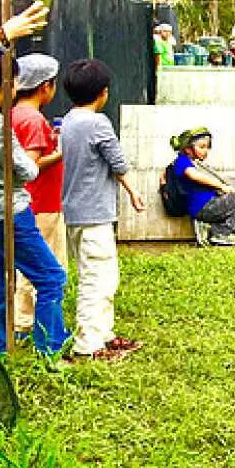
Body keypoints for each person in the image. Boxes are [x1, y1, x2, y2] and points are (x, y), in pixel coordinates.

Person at [0, 59, 69, 358]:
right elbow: (27, 169)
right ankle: (50, 349)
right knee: (52, 277)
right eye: (13, 81)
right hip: (10, 210)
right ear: (3, 84)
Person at [60, 59, 145, 361]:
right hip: (94, 215)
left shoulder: (67, 120)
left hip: (72, 213)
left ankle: (104, 335)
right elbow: (118, 163)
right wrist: (134, 192)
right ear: (103, 93)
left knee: (99, 276)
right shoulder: (97, 123)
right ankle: (88, 346)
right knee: (97, 280)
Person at [11, 54, 67, 342]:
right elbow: (30, 166)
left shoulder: (13, 114)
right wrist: (60, 152)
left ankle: (26, 322)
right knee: (42, 269)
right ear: (46, 86)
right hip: (40, 203)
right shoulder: (32, 120)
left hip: (30, 203)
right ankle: (29, 325)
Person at [171, 127, 235, 246]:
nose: (206, 151)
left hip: (213, 203)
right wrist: (221, 186)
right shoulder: (183, 161)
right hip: (205, 206)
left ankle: (210, 229)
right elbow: (194, 175)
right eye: (202, 147)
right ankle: (222, 233)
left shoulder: (196, 163)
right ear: (187, 149)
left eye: (207, 147)